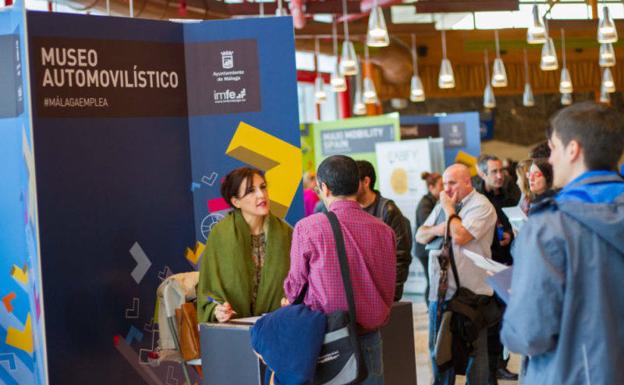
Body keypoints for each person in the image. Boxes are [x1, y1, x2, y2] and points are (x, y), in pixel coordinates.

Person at [501, 101, 624, 385]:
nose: (550, 160)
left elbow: (528, 333)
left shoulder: (548, 227)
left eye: (553, 148)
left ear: (573, 149)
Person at [284, 155, 396, 385]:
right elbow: (388, 288)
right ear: (358, 185)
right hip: (370, 339)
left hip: (327, 342)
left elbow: (294, 289)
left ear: (324, 188)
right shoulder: (384, 230)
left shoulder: (308, 229)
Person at [416, 163, 497, 385]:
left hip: (470, 295)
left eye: (452, 183)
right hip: (440, 294)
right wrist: (438, 229)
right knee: (439, 352)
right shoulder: (444, 205)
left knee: (474, 355)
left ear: (467, 182)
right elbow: (420, 235)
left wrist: (449, 212)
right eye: (444, 184)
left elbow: (460, 236)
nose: (447, 189)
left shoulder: (481, 206)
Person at [197, 167, 293, 323]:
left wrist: (291, 300)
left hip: (276, 327)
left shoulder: (286, 233)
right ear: (236, 201)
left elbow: (299, 283)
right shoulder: (220, 235)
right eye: (250, 191)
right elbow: (208, 293)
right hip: (233, 331)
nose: (261, 195)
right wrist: (217, 310)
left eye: (262, 187)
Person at [473, 155, 518, 382]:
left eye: (501, 170)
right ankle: (489, 371)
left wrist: (510, 234)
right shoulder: (476, 198)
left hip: (508, 263)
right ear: (482, 174)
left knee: (505, 320)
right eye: (494, 172)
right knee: (490, 323)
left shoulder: (512, 192)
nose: (500, 176)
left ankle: (501, 364)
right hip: (485, 267)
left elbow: (513, 221)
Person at [355, 160, 412, 301]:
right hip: (361, 291)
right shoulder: (351, 210)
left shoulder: (388, 210)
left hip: (384, 292)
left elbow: (401, 255)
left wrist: (392, 293)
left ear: (366, 181)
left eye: (352, 181)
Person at [414, 171, 443, 306]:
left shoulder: (436, 201)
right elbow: (428, 228)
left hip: (430, 248)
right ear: (431, 188)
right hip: (424, 250)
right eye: (441, 185)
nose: (445, 188)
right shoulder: (425, 204)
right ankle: (430, 307)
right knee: (431, 280)